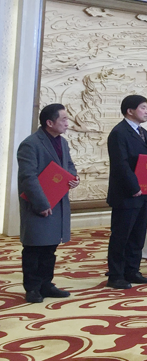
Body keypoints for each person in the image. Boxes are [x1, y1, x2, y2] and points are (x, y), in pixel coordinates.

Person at [17, 104, 80, 302]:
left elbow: (68, 166)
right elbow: (28, 178)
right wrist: (42, 204)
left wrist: (74, 178)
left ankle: (46, 284)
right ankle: (32, 288)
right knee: (34, 247)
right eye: (64, 119)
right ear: (49, 123)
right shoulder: (31, 144)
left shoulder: (62, 142)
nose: (67, 123)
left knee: (50, 247)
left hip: (57, 201)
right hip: (38, 204)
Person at [106, 94, 147, 289]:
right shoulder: (119, 133)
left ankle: (132, 270)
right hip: (126, 194)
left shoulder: (143, 132)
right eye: (143, 107)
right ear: (130, 111)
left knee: (138, 235)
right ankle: (116, 275)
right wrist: (134, 186)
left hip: (144, 194)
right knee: (121, 236)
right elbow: (121, 164)